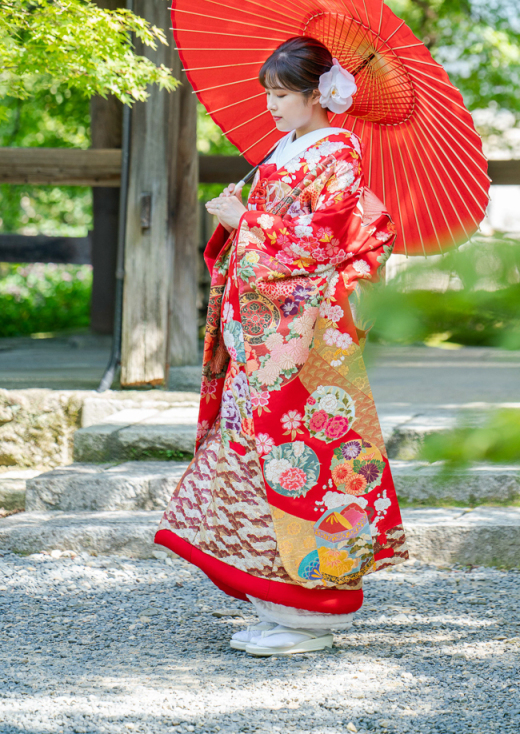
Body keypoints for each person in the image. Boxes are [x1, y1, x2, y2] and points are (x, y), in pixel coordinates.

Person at [155, 36, 407, 656]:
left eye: (281, 94)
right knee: (249, 461)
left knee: (306, 461)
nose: (270, 105)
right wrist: (234, 217)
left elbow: (322, 245)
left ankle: (313, 610)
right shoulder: (285, 151)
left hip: (305, 345)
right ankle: (276, 600)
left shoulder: (338, 157)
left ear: (318, 95)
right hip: (262, 339)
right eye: (268, 93)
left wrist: (251, 223)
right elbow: (271, 234)